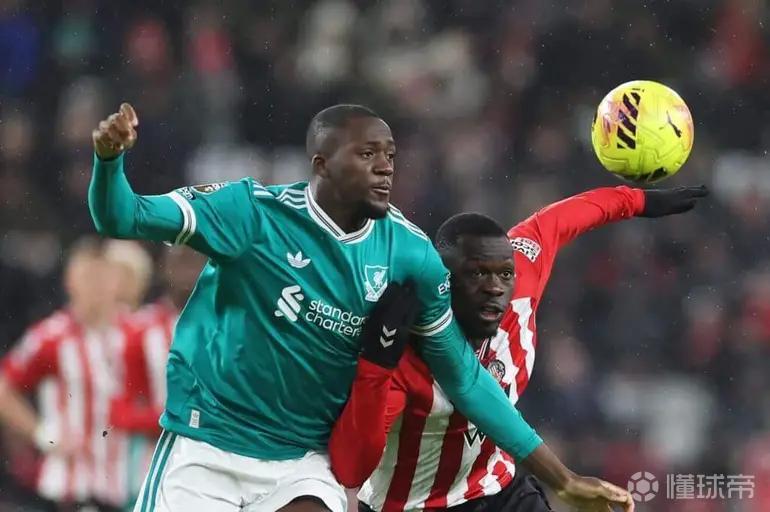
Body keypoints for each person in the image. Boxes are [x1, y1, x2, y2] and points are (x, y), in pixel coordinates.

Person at [89, 103, 554, 512]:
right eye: (367, 154)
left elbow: (466, 379)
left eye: (390, 156)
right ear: (322, 164)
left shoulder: (409, 254)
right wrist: (109, 162)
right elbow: (124, 216)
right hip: (209, 443)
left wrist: (560, 477)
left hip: (303, 462)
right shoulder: (252, 214)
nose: (385, 168)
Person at [329, 185, 708, 511]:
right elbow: (351, 467)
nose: (496, 287)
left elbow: (560, 219)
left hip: (499, 491)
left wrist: (638, 200)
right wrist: (374, 365)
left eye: (504, 274)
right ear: (442, 282)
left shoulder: (519, 282)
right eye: (477, 274)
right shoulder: (403, 357)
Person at [0, 237, 133, 511]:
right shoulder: (51, 336)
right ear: (70, 281)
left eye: (103, 277)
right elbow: (4, 390)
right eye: (88, 277)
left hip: (126, 487)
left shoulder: (135, 333)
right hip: (70, 488)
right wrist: (44, 435)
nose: (96, 286)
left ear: (117, 282)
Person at [108, 245, 206, 510]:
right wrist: (176, 419)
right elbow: (118, 411)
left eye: (195, 260)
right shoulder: (139, 330)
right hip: (151, 473)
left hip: (214, 469)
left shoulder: (228, 326)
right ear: (164, 269)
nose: (187, 271)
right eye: (180, 261)